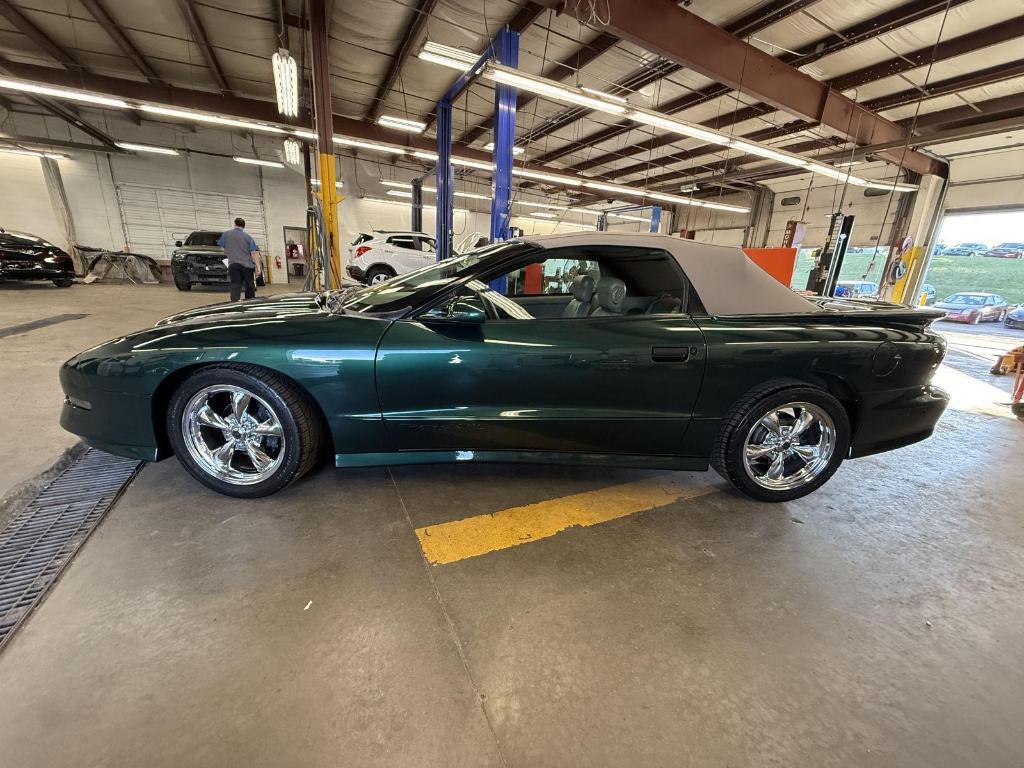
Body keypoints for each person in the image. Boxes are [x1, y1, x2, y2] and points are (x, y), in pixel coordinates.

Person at [218, 217, 264, 301]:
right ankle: (250, 303)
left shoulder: (226, 234)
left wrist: (231, 253)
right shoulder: (247, 237)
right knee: (249, 285)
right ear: (244, 226)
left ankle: (234, 303)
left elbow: (222, 249)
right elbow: (254, 253)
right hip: (247, 266)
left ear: (235, 224)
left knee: (235, 285)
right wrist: (258, 267)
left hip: (233, 264)